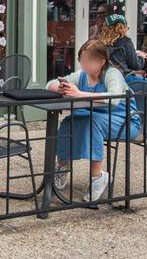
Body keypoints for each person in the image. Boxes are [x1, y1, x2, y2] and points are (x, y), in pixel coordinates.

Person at [48, 39, 140, 202]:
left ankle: (98, 177)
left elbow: (114, 98)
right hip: (97, 117)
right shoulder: (82, 75)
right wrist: (61, 87)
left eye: (87, 61)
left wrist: (80, 94)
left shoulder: (112, 74)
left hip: (125, 121)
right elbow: (50, 84)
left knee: (92, 122)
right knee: (69, 121)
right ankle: (62, 164)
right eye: (81, 60)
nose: (83, 65)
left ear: (101, 61)